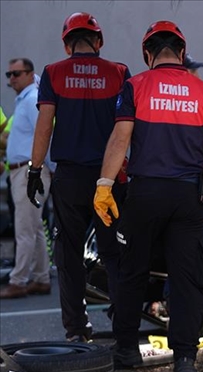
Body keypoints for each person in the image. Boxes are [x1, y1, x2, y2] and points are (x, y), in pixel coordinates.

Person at [94, 20, 203, 372]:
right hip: (188, 196)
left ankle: (126, 350)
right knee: (187, 276)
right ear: (183, 53)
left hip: (144, 193)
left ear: (147, 54)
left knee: (132, 271)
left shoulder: (136, 86)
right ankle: (185, 360)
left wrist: (104, 185)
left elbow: (120, 139)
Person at [25, 13, 131, 340]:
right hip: (110, 179)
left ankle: (76, 331)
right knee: (115, 253)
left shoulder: (53, 74)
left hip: (69, 178)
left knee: (69, 254)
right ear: (98, 41)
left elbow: (44, 127)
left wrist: (34, 169)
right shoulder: (119, 73)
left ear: (66, 43)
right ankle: (123, 329)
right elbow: (127, 128)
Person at [0, 58, 53, 300]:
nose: (11, 79)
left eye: (16, 74)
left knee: (25, 228)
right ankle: (41, 278)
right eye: (9, 74)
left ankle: (18, 280)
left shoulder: (32, 100)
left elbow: (45, 135)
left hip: (29, 171)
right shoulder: (27, 99)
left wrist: (40, 169)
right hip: (26, 170)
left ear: (30, 74)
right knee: (33, 228)